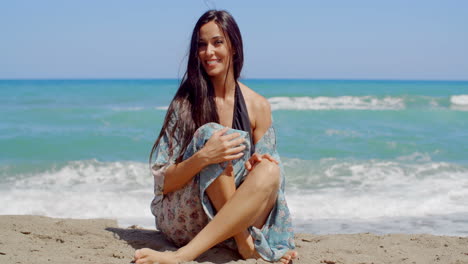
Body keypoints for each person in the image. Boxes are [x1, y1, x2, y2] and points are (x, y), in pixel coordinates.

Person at [134, 10, 297, 264]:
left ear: (233, 46)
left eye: (217, 42)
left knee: (270, 168)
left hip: (230, 220)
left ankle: (238, 237)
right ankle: (208, 250)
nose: (208, 52)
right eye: (201, 45)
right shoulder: (185, 103)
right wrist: (203, 157)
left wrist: (252, 167)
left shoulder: (258, 106)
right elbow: (163, 184)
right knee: (214, 137)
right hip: (187, 217)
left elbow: (272, 187)